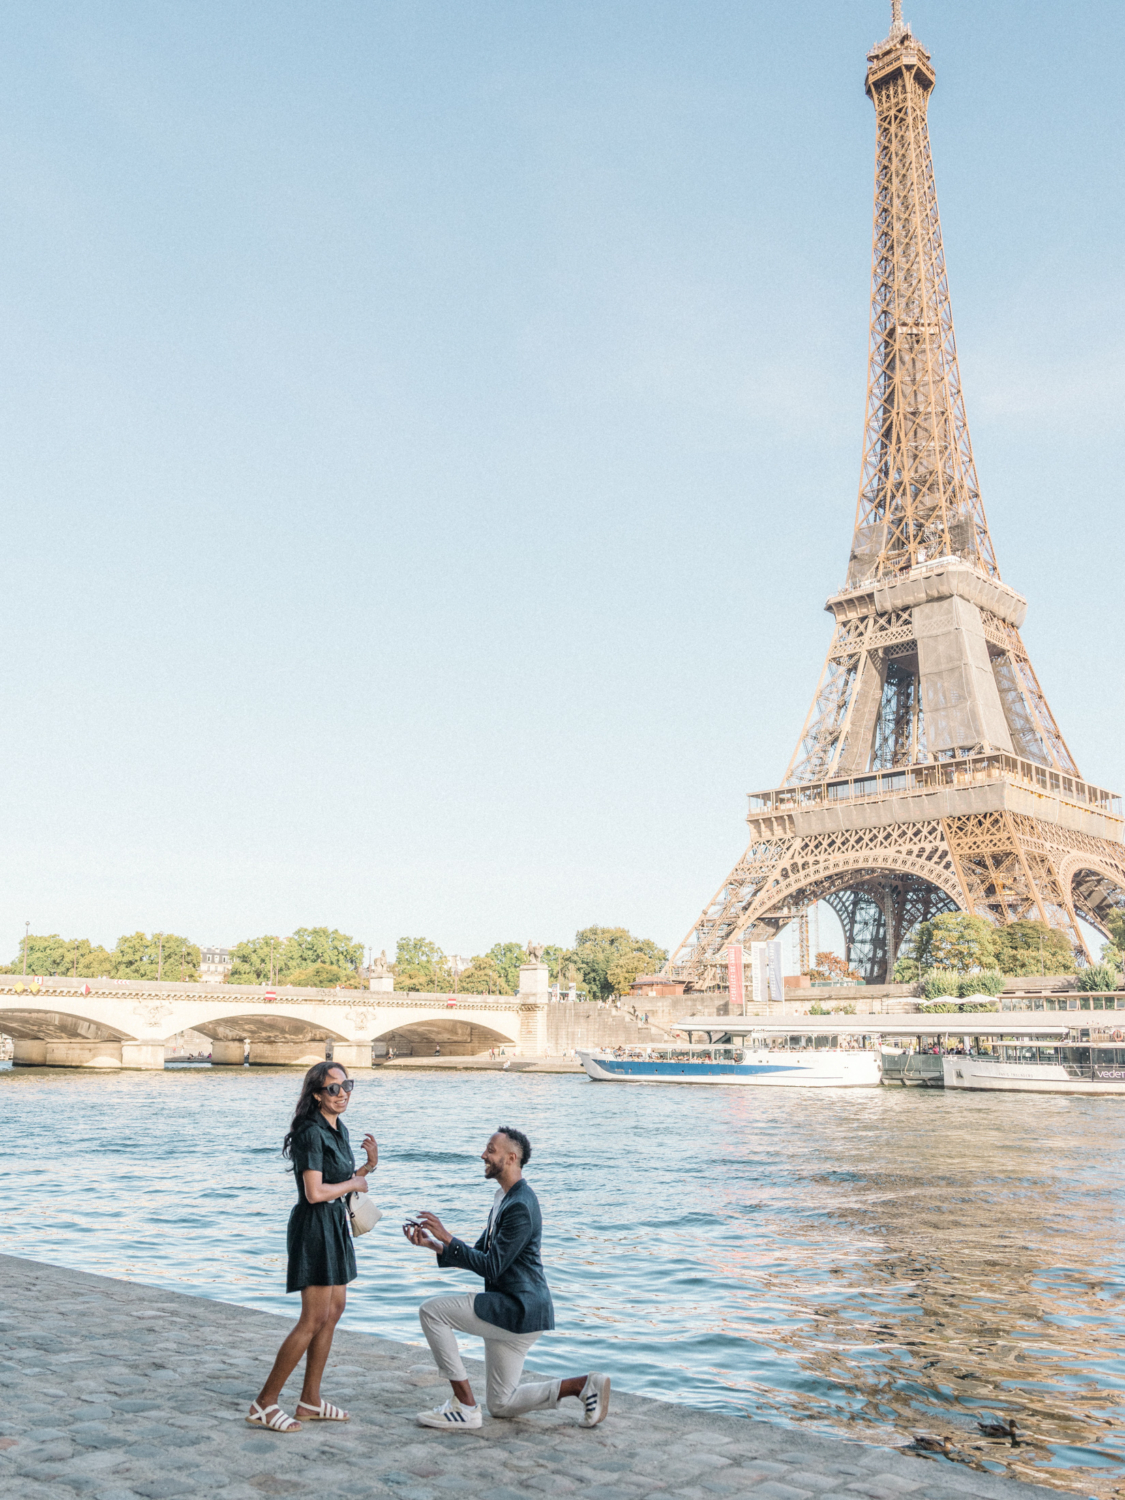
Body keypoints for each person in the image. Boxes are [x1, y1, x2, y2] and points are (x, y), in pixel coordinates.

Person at [404, 1126, 609, 1431]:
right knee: (501, 1404)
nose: (483, 1155)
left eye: (490, 1150)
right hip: (519, 1313)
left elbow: (492, 1267)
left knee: (432, 1312)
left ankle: (464, 1405)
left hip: (516, 1308)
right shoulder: (505, 1198)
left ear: (511, 1158)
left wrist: (447, 1235)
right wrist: (435, 1244)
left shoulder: (520, 1207)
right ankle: (583, 1386)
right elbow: (482, 1255)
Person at [247, 1061, 378, 1433]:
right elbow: (315, 1192)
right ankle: (265, 1402)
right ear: (317, 1094)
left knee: (334, 1310)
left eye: (346, 1085)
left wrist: (368, 1167)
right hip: (314, 1226)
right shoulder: (310, 1132)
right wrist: (354, 1184)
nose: (343, 1094)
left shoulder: (339, 1129)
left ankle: (310, 1400)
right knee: (313, 1317)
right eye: (333, 1088)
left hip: (335, 1224)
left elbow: (344, 1182)